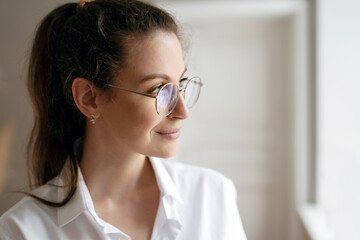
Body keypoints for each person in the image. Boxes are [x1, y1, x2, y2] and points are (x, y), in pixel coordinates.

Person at [0, 0, 247, 239]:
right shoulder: (21, 230)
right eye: (159, 89)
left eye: (180, 84)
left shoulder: (212, 195)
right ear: (89, 99)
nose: (182, 111)